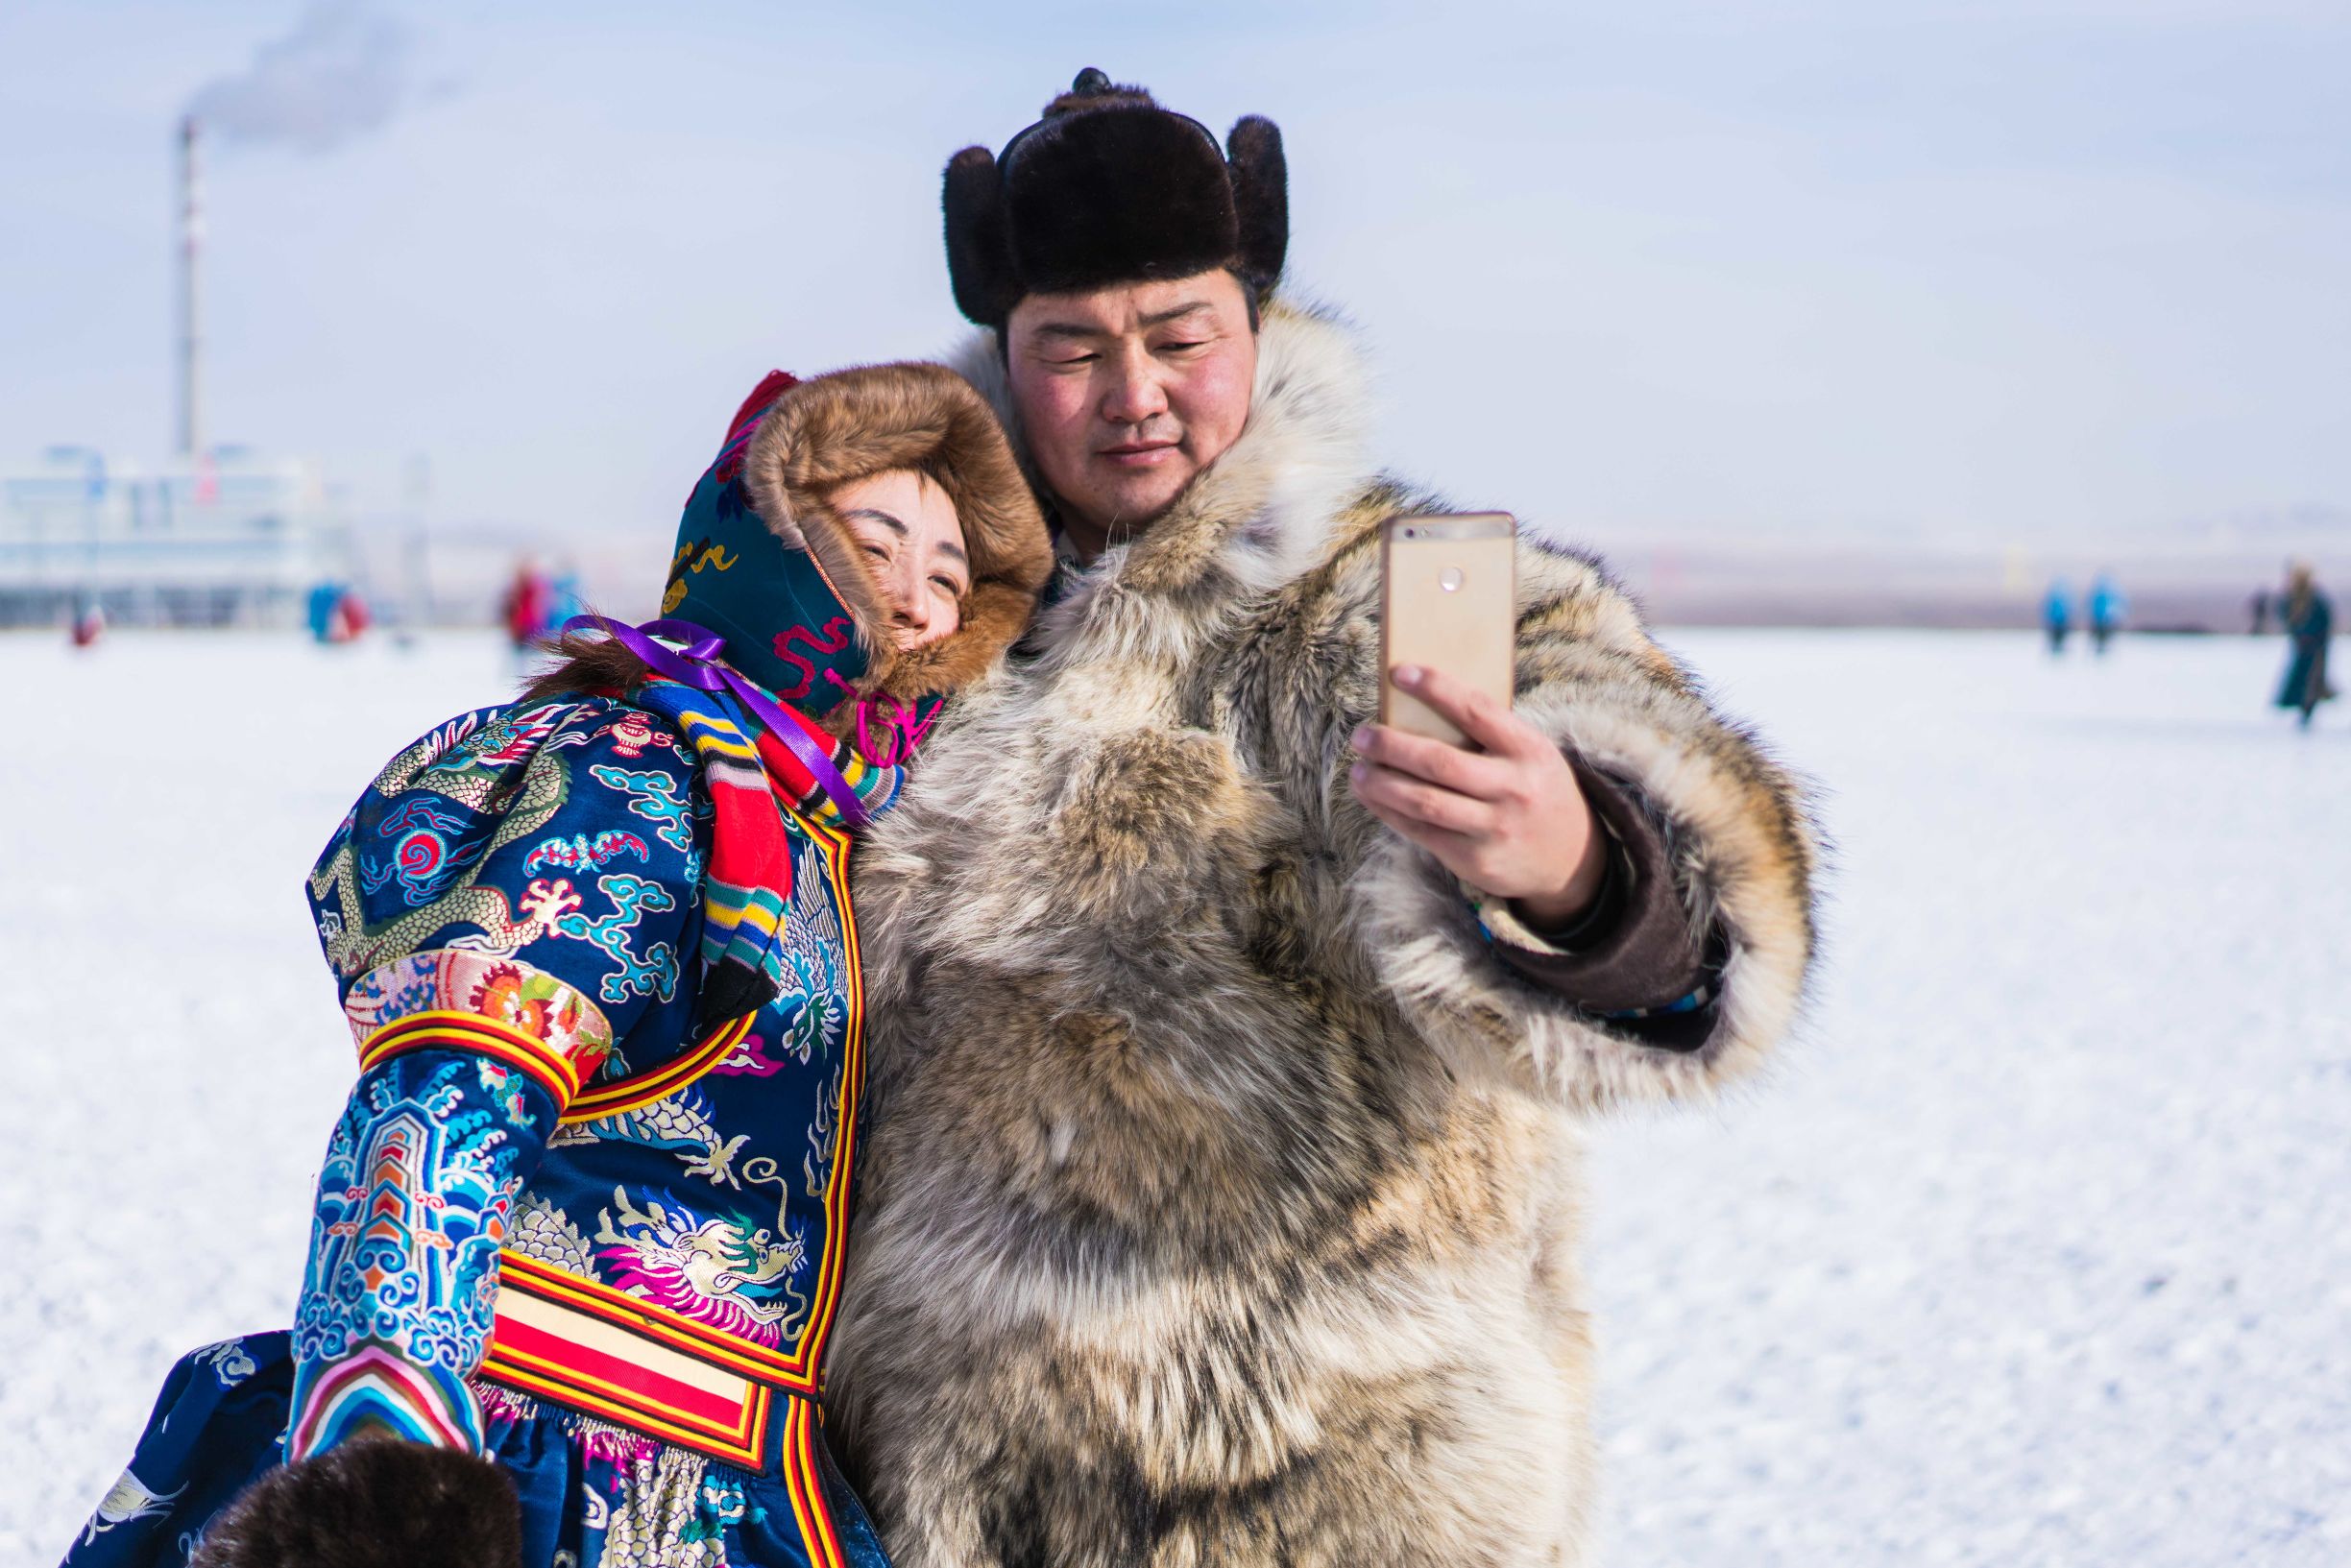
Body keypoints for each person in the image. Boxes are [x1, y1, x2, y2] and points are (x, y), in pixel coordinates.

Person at [821, 71, 1819, 1567]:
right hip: (962, 1482)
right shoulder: (891, 638)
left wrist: (1577, 866)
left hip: (1359, 1462)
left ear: (1257, 328)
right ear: (1005, 363)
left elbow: (1683, 859)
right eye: (1074, 349)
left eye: (1180, 338)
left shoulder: (1398, 599)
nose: (1135, 392)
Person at [62, 364, 1051, 1568]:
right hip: (550, 1466)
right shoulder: (637, 774)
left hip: (758, 1492)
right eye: (875, 545)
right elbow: (440, 1111)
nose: (915, 602)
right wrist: (391, 1465)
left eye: (949, 578)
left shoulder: (861, 842)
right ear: (771, 542)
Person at [2274, 561, 2335, 728]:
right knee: (2302, 679)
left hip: (2315, 647)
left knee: (2312, 680)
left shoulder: (2315, 599)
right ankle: (2302, 711)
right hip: (2303, 646)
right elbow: (2286, 615)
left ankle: (2307, 711)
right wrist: (2299, 634)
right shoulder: (2293, 597)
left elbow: (2323, 621)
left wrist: (2310, 636)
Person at [2088, 573, 2124, 655]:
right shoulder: (2110, 593)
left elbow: (2092, 605)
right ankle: (2102, 648)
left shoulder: (2099, 593)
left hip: (2101, 620)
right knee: (2103, 636)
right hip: (2104, 620)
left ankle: (2102, 648)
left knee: (2102, 636)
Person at [2045, 575, 2073, 654]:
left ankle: (2056, 649)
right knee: (2059, 637)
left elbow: (2047, 608)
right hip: (2061, 621)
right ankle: (2059, 649)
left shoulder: (2053, 595)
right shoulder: (2065, 596)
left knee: (2056, 638)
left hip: (2056, 622)